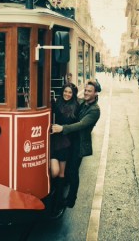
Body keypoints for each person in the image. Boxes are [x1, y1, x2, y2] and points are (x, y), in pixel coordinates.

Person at [51, 80, 101, 208]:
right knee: (66, 170)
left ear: (95, 93)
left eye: (90, 91)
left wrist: (63, 128)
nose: (86, 92)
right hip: (71, 140)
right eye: (86, 90)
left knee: (73, 171)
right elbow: (70, 100)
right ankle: (60, 195)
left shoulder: (95, 110)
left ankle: (71, 199)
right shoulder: (82, 102)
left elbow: (81, 124)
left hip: (80, 143)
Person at [50, 84, 79, 213]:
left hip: (65, 144)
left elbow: (71, 125)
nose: (67, 94)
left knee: (60, 173)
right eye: (65, 91)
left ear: (73, 95)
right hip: (54, 142)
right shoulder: (57, 103)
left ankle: (58, 202)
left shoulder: (75, 107)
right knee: (54, 171)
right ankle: (53, 196)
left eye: (70, 92)